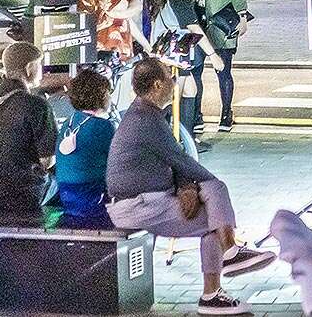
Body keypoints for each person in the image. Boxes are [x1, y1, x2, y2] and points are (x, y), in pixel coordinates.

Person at [107, 59, 273, 315]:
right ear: (157, 84)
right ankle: (220, 274)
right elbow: (182, 160)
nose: (174, 84)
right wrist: (201, 183)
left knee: (214, 205)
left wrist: (188, 187)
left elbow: (173, 161)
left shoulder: (144, 113)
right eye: (169, 79)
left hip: (149, 201)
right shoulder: (145, 119)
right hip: (138, 205)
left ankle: (219, 277)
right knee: (214, 208)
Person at [0, 42, 55, 226]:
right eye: (40, 65)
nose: (42, 71)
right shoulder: (37, 104)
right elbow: (48, 160)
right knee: (68, 183)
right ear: (30, 68)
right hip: (25, 193)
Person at [147, 0, 218, 144]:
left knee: (188, 90)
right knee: (174, 94)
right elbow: (195, 29)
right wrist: (213, 55)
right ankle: (178, 141)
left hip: (163, 52)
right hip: (175, 54)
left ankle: (185, 139)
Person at [194, 0, 250, 134]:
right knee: (195, 70)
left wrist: (242, 17)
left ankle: (226, 113)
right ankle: (196, 114)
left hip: (220, 24)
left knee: (223, 71)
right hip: (196, 24)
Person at [54, 69, 116, 228]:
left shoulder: (68, 123)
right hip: (93, 198)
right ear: (101, 96)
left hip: (66, 197)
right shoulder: (103, 127)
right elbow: (119, 163)